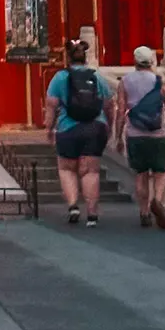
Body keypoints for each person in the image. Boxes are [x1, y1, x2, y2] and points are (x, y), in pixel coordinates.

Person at [45, 39, 115, 228]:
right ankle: (92, 215)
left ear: (68, 57)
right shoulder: (97, 77)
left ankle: (73, 206)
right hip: (94, 127)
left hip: (68, 128)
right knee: (90, 171)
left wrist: (49, 128)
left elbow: (51, 105)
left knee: (67, 169)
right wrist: (109, 125)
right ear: (85, 57)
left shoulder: (60, 77)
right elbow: (109, 104)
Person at [114, 44, 165, 229]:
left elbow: (121, 111)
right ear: (151, 61)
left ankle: (144, 212)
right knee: (160, 173)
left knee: (141, 174)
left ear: (135, 61)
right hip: (157, 134)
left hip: (135, 135)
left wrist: (118, 136)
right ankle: (157, 200)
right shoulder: (158, 82)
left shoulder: (125, 82)